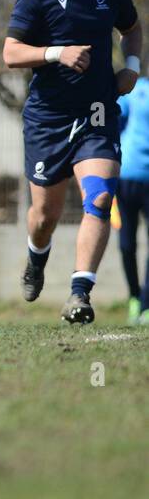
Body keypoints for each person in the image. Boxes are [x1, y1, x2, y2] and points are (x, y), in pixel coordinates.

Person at [3, 0, 141, 324]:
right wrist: (56, 53)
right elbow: (10, 53)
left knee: (99, 196)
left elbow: (132, 29)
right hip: (47, 119)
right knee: (43, 217)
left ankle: (80, 293)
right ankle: (36, 257)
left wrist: (131, 68)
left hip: (97, 112)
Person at [116, 76, 149, 325]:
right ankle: (134, 297)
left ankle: (147, 304)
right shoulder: (136, 89)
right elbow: (116, 120)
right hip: (127, 176)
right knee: (127, 243)